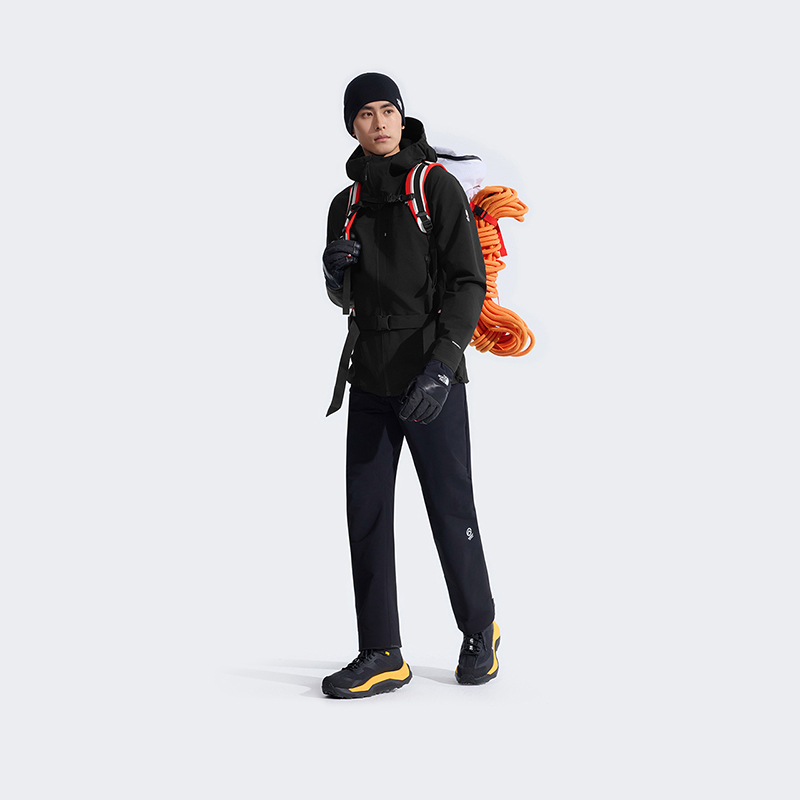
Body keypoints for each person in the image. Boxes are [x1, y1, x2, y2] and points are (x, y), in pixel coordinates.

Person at [320, 73, 500, 699]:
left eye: (387, 110)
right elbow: (348, 299)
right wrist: (333, 276)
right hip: (369, 377)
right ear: (352, 126)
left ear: (402, 116)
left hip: (430, 376)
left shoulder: (435, 187)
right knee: (366, 515)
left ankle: (479, 628)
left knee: (450, 508)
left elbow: (468, 282)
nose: (378, 123)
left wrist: (443, 366)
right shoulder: (344, 204)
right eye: (364, 114)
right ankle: (382, 653)